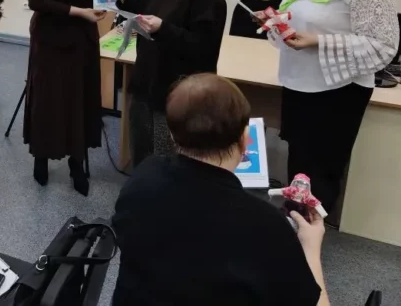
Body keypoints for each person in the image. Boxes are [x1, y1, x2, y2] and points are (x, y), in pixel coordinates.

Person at [112, 74, 328, 306]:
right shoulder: (266, 225)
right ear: (245, 139)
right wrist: (311, 247)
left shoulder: (142, 178)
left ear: (173, 134)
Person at [257, 0, 398, 219]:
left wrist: (318, 41)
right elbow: (294, 13)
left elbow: (382, 46)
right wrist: (276, 22)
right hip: (299, 82)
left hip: (338, 92)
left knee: (320, 173)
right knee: (299, 168)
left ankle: (309, 233)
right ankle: (295, 226)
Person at [115, 0, 227, 166]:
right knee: (141, 155)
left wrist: (163, 28)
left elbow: (204, 50)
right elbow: (144, 13)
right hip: (146, 82)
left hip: (174, 93)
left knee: (166, 162)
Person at [23, 0, 114, 196]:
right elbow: (36, 0)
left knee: (80, 100)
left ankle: (77, 163)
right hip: (51, 39)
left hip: (83, 38)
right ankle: (41, 157)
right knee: (50, 101)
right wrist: (79, 11)